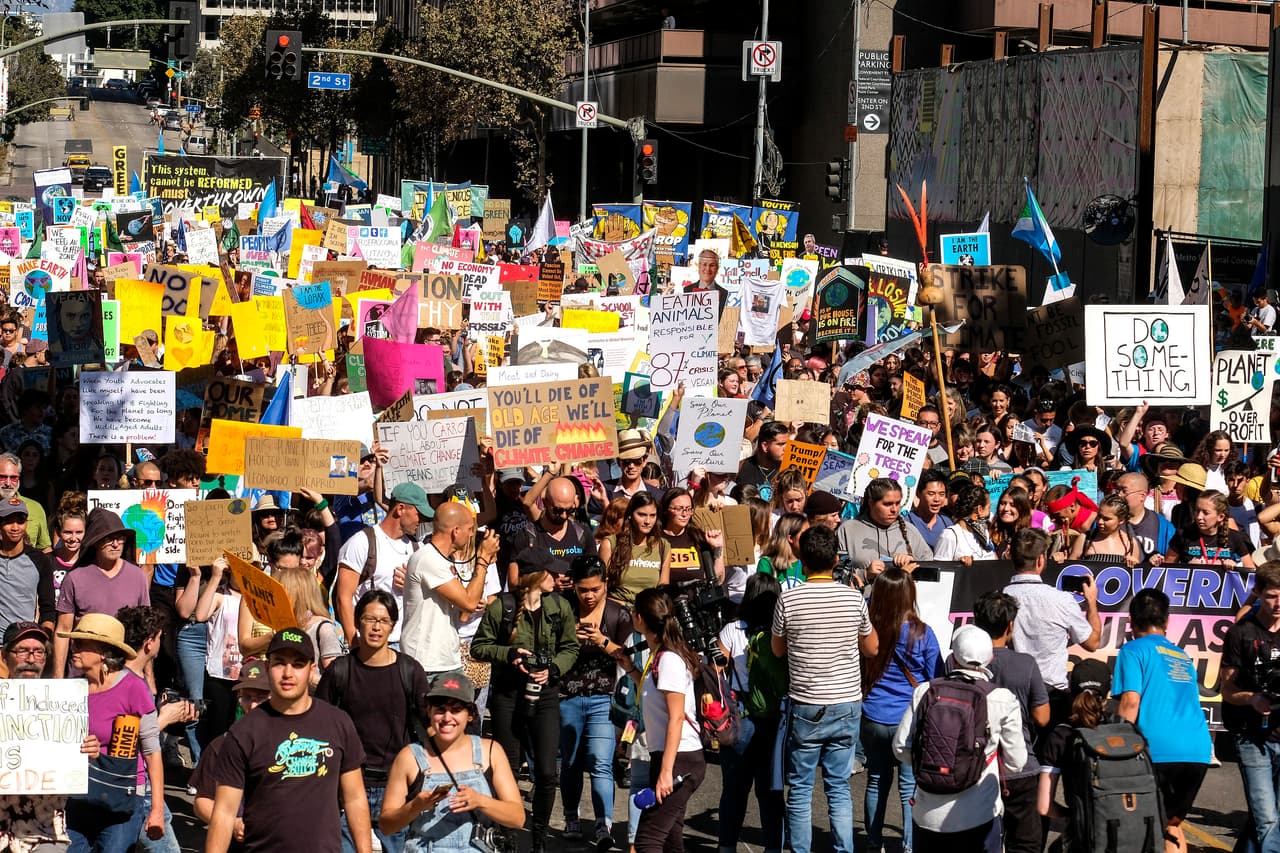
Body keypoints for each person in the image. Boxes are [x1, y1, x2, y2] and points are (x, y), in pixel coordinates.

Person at [205, 628, 372, 853]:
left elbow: (355, 799)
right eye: (279, 663)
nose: (288, 673)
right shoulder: (243, 732)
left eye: (298, 664)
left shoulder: (338, 723)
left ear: (312, 669)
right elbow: (224, 812)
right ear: (267, 667)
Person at [771, 525, 878, 853]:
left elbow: (778, 650)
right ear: (836, 560)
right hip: (847, 702)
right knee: (839, 786)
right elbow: (871, 648)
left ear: (801, 561)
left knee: (801, 789)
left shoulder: (789, 598)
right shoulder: (852, 597)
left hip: (807, 704)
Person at [469, 549, 578, 853]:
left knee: (546, 772)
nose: (557, 578)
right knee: (509, 769)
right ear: (535, 577)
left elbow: (570, 647)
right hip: (507, 695)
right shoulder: (501, 608)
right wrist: (509, 654)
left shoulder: (559, 607)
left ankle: (540, 838)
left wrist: (553, 668)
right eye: (551, 573)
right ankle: (509, 837)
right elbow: (479, 647)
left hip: (545, 695)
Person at [316, 589, 432, 853]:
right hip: (347, 784)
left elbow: (429, 724)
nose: (376, 627)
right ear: (357, 622)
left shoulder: (410, 670)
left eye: (383, 621)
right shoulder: (340, 671)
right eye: (369, 619)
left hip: (395, 785)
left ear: (392, 626)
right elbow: (320, 725)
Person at [892, 625, 1026, 852]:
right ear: (990, 658)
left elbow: (900, 748)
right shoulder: (1003, 698)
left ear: (952, 657)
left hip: (928, 816)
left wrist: (935, 764)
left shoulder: (925, 691)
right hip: (979, 814)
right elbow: (1016, 763)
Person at [1113, 588, 1212, 853]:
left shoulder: (1132, 651)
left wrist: (1116, 748)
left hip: (1156, 751)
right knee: (1172, 824)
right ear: (1167, 622)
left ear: (1131, 622)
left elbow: (1130, 702)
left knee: (1137, 827)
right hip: (1197, 750)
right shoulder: (1182, 656)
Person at [378, 675, 525, 849]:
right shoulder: (409, 757)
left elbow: (517, 818)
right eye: (440, 710)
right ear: (429, 711)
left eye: (456, 710)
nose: (447, 718)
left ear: (470, 715)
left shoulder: (491, 752)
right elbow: (386, 826)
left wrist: (480, 801)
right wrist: (415, 806)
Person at [59, 613, 166, 853]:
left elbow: (151, 751)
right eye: (74, 642)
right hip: (78, 795)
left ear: (104, 651)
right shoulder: (71, 689)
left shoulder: (134, 688)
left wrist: (156, 810)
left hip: (122, 798)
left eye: (82, 643)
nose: (74, 647)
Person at [859, 568, 943, 853]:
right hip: (909, 719)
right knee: (909, 786)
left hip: (871, 715)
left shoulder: (868, 631)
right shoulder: (923, 633)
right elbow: (935, 679)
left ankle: (873, 842)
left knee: (876, 780)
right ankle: (909, 845)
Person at [0, 621, 101, 852]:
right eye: (22, 650)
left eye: (38, 651)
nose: (31, 658)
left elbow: (71, 760)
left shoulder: (64, 704)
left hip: (45, 832)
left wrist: (89, 749)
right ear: (5, 656)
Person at [559, 556, 631, 849]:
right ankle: (571, 816)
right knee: (572, 763)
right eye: (582, 590)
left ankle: (604, 824)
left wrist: (602, 640)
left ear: (605, 585)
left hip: (605, 698)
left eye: (595, 589)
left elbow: (629, 656)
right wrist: (569, 639)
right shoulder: (563, 609)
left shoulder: (618, 614)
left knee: (602, 762)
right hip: (568, 697)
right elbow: (549, 649)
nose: (588, 596)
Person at [628, 588, 707, 853]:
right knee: (672, 840)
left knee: (647, 841)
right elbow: (655, 695)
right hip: (670, 758)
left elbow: (676, 718)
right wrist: (629, 668)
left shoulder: (670, 659)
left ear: (640, 618)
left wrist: (665, 773)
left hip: (680, 760)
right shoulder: (659, 656)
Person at [972, 592, 1050, 853]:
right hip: (1020, 769)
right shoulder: (1025, 664)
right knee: (1025, 844)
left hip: (974, 766)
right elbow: (1042, 717)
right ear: (1010, 626)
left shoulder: (956, 661)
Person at [716, 574, 787, 853]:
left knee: (734, 788)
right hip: (775, 717)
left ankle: (726, 847)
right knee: (771, 791)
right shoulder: (780, 631)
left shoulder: (733, 629)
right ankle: (773, 848)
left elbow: (716, 670)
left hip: (740, 715)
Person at [1002, 528, 1101, 725]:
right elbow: (1093, 643)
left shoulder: (1000, 597)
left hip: (1011, 695)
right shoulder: (1061, 600)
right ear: (1040, 560)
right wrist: (1091, 602)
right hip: (1052, 696)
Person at [1219, 561, 1280, 853]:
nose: (1279, 603)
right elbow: (1228, 690)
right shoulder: (1240, 633)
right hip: (1250, 734)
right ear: (1257, 593)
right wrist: (1252, 699)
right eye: (1272, 595)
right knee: (1267, 818)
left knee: (1270, 819)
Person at [401, 502, 496, 682]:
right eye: (469, 529)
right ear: (456, 531)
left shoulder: (443, 560)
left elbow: (463, 613)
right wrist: (483, 559)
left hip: (446, 660)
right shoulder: (428, 559)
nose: (471, 535)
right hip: (427, 665)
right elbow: (469, 602)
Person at [53, 508, 150, 678]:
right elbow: (63, 629)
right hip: (83, 674)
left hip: (126, 673)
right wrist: (58, 677)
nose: (115, 544)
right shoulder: (74, 579)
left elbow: (146, 630)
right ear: (96, 542)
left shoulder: (138, 576)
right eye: (108, 539)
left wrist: (148, 675)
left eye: (120, 538)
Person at [334, 482, 434, 647]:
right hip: (369, 643)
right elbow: (343, 597)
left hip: (407, 643)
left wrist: (411, 586)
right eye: (419, 514)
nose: (421, 521)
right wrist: (354, 643)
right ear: (400, 509)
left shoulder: (417, 547)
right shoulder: (361, 542)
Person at [188, 659, 272, 836]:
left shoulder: (294, 740)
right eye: (247, 697)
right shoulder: (222, 745)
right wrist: (232, 823)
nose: (254, 705)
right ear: (238, 697)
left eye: (261, 697)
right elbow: (202, 802)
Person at [510, 475, 597, 588]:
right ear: (545, 502)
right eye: (558, 510)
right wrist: (547, 584)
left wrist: (577, 580)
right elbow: (513, 582)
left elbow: (595, 574)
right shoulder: (528, 536)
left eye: (569, 510)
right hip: (541, 603)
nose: (564, 515)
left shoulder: (582, 533)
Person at [837, 477, 931, 582]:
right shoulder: (848, 530)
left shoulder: (910, 531)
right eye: (887, 504)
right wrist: (865, 573)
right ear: (871, 503)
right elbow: (835, 573)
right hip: (862, 596)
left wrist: (912, 564)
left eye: (898, 503)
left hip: (902, 597)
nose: (894, 509)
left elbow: (931, 570)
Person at [600, 492, 670, 607]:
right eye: (642, 515)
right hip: (617, 611)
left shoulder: (663, 546)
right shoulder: (611, 543)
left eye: (652, 515)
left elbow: (662, 589)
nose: (648, 521)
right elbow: (602, 585)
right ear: (630, 515)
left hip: (648, 613)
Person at [0, 495, 55, 632]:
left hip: (24, 642)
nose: (15, 527)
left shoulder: (40, 560)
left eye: (20, 521)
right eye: (8, 521)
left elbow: (48, 608)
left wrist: (43, 638)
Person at [1165, 489, 1257, 568]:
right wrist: (1188, 567)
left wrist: (1234, 567)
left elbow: (1250, 571)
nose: (1199, 517)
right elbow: (1167, 566)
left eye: (1205, 513)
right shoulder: (1183, 535)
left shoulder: (1234, 537)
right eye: (1197, 511)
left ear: (1220, 517)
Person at [933, 483, 996, 563]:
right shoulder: (949, 535)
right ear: (979, 509)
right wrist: (959, 564)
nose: (989, 512)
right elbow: (939, 570)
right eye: (988, 508)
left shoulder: (984, 532)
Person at [737, 421, 789, 502]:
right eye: (780, 444)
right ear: (765, 446)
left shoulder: (788, 470)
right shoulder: (741, 467)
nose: (786, 448)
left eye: (787, 444)